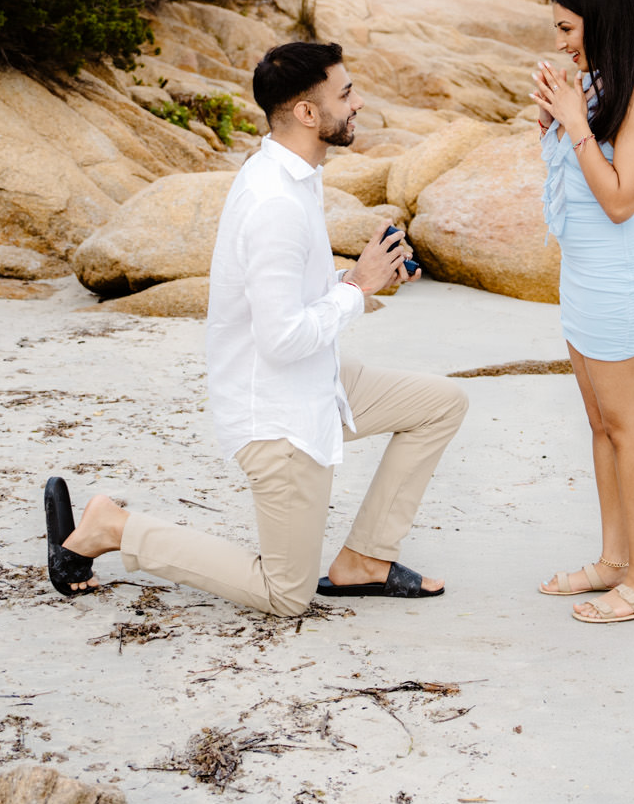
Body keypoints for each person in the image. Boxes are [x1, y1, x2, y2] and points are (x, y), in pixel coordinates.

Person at [43, 41, 469, 615]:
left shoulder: (294, 174)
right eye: (346, 93)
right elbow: (282, 338)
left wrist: (362, 274)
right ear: (307, 114)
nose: (359, 102)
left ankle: (364, 560)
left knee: (440, 404)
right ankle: (115, 527)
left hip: (321, 381)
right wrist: (357, 288)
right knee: (285, 595)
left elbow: (287, 297)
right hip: (278, 415)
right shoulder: (275, 201)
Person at [530, 0, 634, 624]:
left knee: (629, 427)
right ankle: (616, 561)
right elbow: (578, 181)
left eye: (568, 27)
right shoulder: (595, 82)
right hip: (583, 271)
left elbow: (619, 199)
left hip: (619, 273)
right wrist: (553, 124)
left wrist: (576, 123)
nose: (561, 41)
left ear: (602, 19)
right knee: (600, 426)